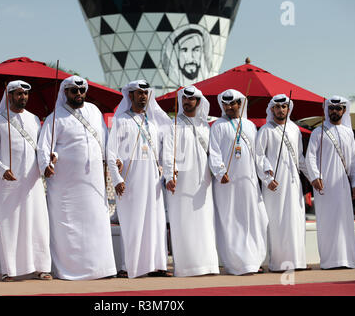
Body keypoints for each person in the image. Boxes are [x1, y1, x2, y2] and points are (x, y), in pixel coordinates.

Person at [37, 76, 117, 280]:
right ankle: (70, 270)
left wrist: (113, 159)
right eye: (74, 91)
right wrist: (46, 164)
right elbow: (44, 147)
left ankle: (101, 269)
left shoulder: (94, 111)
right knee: (68, 225)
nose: (79, 94)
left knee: (96, 221)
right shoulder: (56, 118)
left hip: (94, 180)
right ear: (65, 92)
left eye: (81, 90)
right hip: (66, 184)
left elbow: (105, 139)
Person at [0, 80, 52, 282]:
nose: (23, 97)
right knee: (10, 225)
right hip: (9, 183)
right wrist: (2, 169)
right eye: (19, 94)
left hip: (33, 182)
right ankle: (10, 270)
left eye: (25, 94)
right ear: (10, 95)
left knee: (38, 224)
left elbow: (43, 148)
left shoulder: (34, 119)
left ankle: (42, 268)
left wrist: (49, 162)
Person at [107, 80, 172, 278]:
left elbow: (163, 149)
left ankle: (156, 266)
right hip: (129, 181)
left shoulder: (153, 122)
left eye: (145, 93)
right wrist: (117, 179)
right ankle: (129, 267)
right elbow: (111, 153)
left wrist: (167, 172)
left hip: (153, 180)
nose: (143, 96)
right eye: (139, 93)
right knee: (132, 223)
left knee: (155, 223)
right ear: (131, 95)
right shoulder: (121, 121)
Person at [208, 89, 268, 275]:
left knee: (254, 219)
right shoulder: (217, 126)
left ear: (240, 104)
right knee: (231, 221)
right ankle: (235, 264)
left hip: (249, 181)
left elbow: (258, 154)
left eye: (233, 103)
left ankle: (253, 260)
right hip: (226, 183)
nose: (229, 107)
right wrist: (219, 171)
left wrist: (267, 170)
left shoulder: (250, 125)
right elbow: (214, 152)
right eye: (226, 104)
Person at [163, 86, 219, 277]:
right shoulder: (174, 125)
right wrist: (169, 176)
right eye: (185, 99)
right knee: (183, 222)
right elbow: (168, 152)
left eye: (192, 99)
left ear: (198, 101)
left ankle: (208, 265)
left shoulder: (205, 126)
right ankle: (187, 267)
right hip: (181, 183)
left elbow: (214, 154)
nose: (187, 102)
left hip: (203, 182)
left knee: (204, 221)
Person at [255, 94, 310, 272]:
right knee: (277, 221)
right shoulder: (265, 130)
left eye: (284, 107)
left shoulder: (294, 129)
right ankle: (278, 264)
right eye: (277, 107)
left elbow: (300, 158)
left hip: (293, 184)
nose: (280, 110)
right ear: (272, 109)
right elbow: (259, 156)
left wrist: (313, 177)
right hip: (274, 185)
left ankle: (298, 262)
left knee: (295, 220)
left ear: (288, 108)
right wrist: (267, 178)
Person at [306, 96, 355, 269]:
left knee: (344, 221)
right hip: (324, 185)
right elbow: (310, 157)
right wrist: (315, 177)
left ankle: (347, 260)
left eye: (338, 109)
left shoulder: (348, 132)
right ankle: (329, 262)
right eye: (331, 108)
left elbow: (353, 160)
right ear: (327, 110)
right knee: (327, 221)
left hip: (343, 185)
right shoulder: (318, 131)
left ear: (344, 111)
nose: (334, 111)